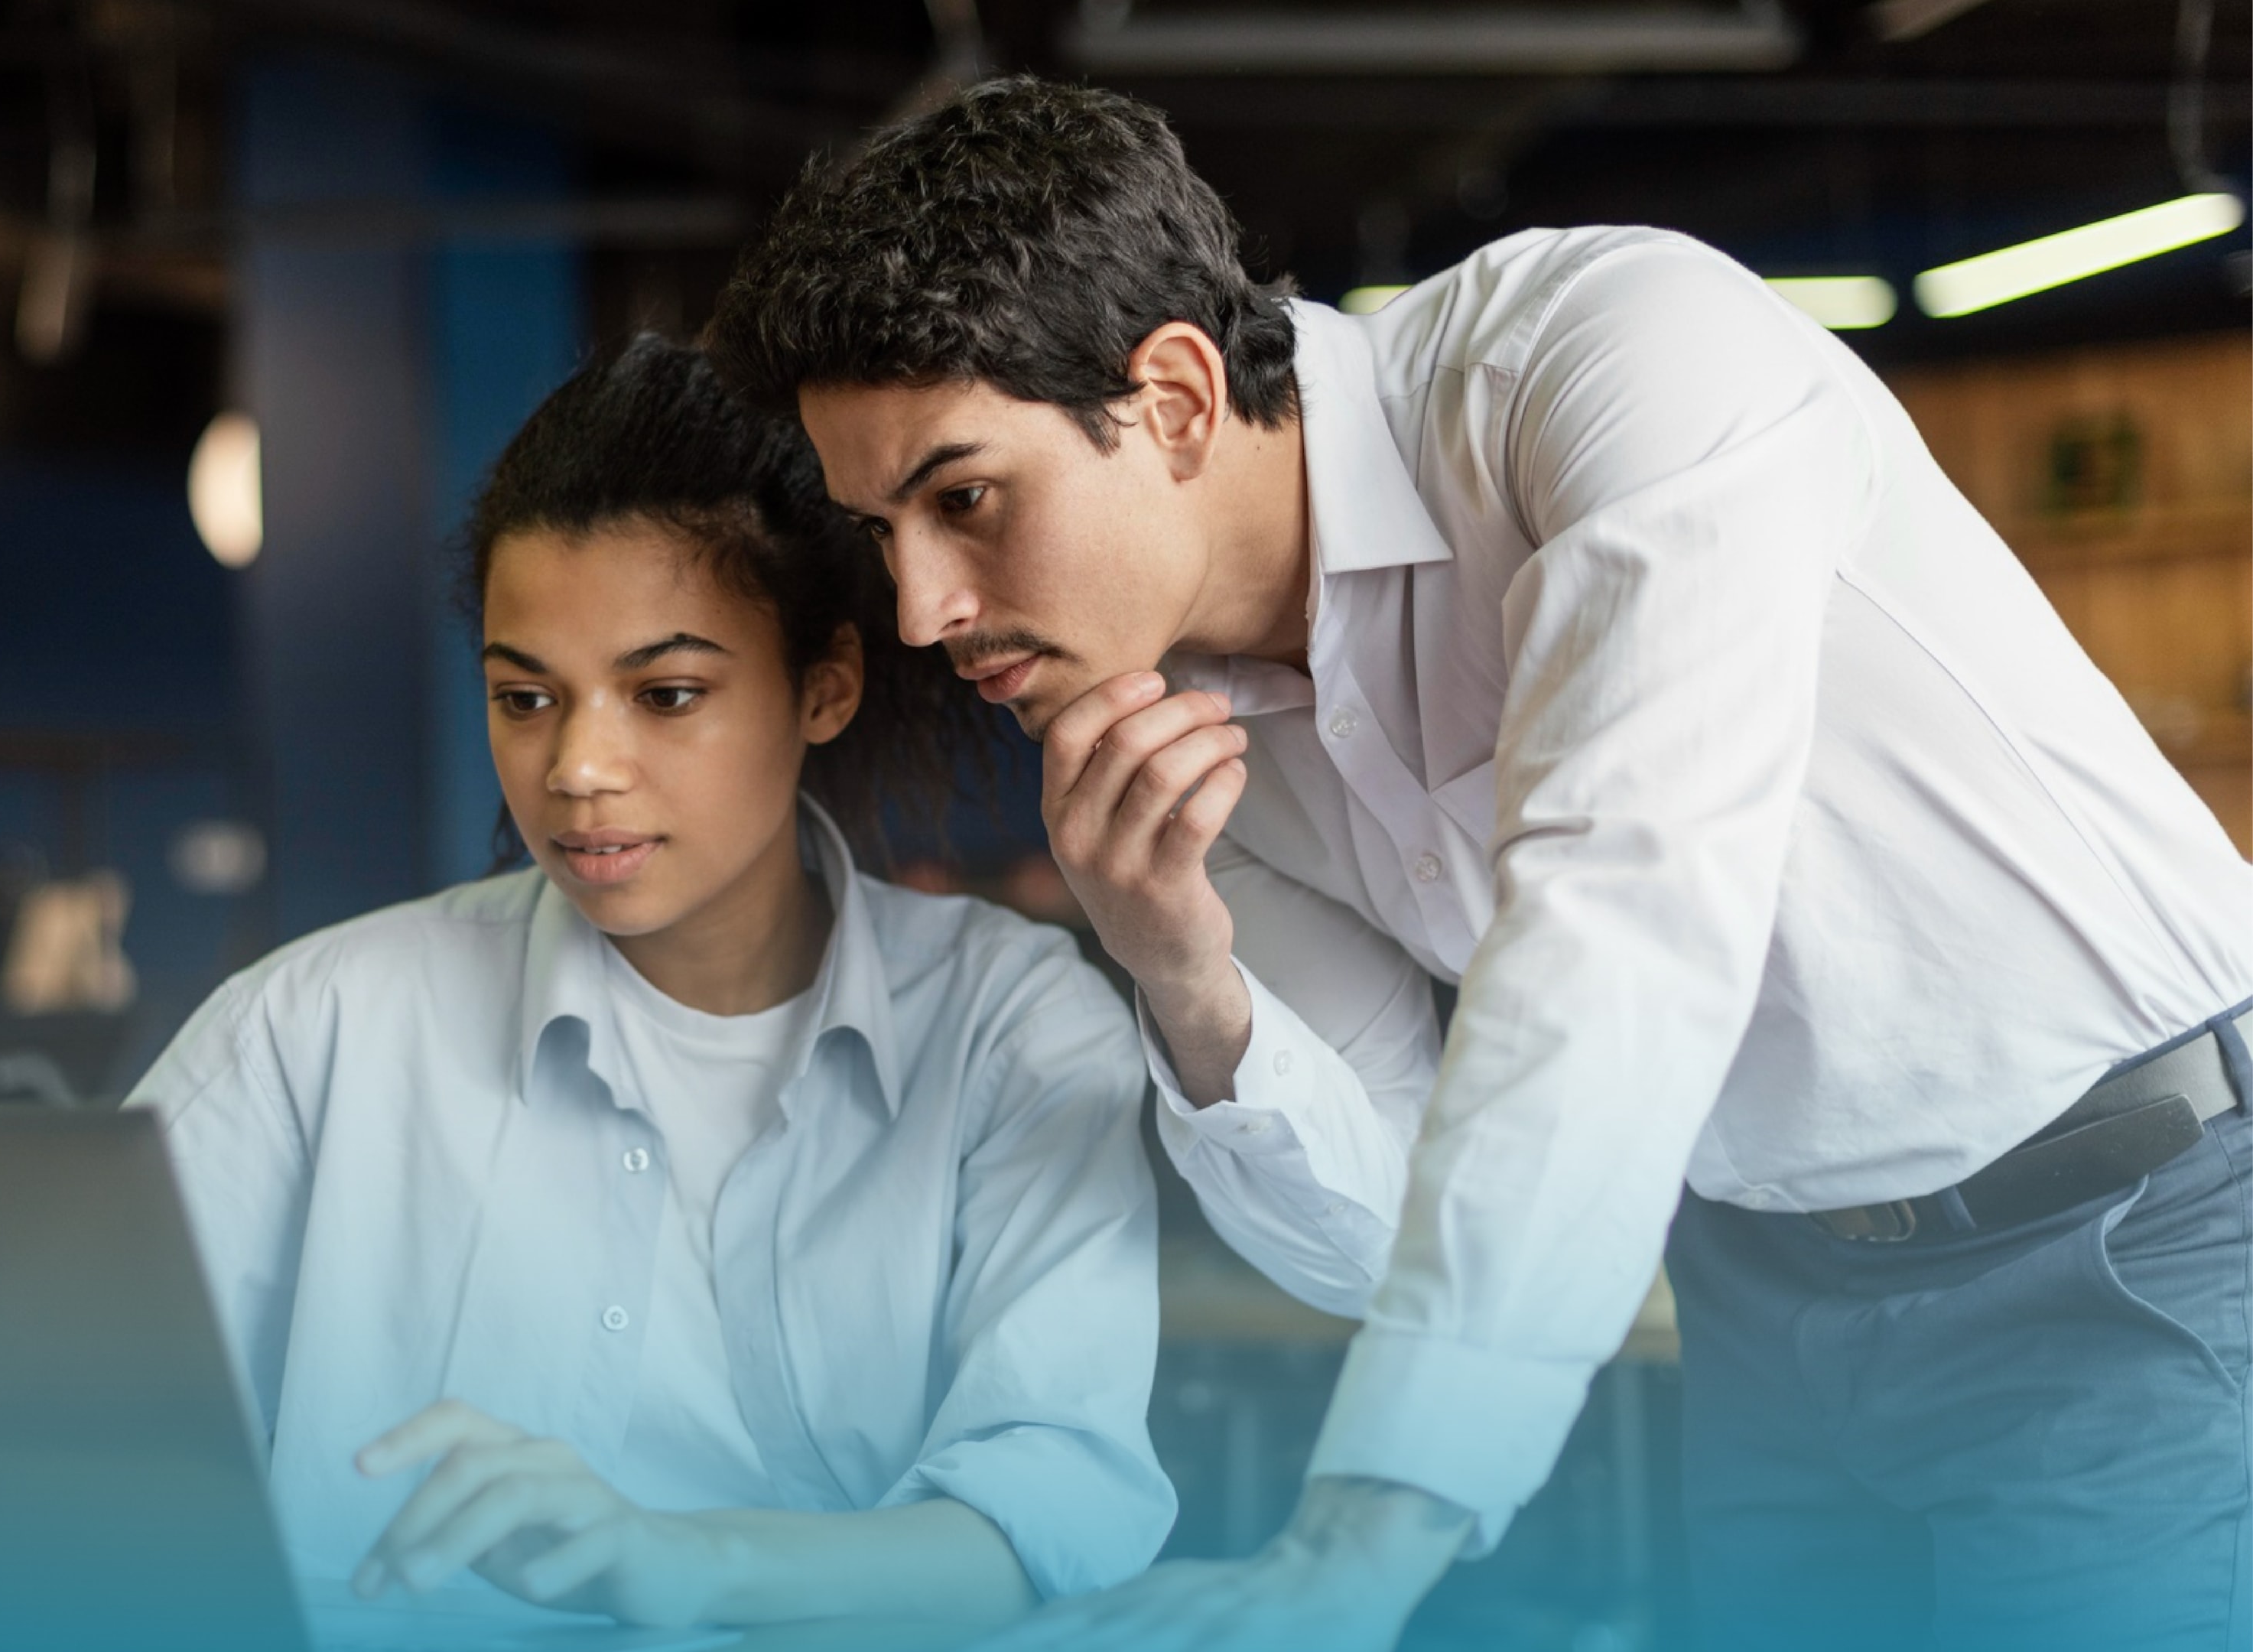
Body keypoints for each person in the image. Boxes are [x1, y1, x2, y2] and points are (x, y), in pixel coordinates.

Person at [707, 75, 2253, 1652]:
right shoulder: (1158, 735)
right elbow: (1388, 1237)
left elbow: (1623, 916)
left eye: (965, 501)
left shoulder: (1614, 358)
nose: (919, 608)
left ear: (1173, 397)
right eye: (881, 529)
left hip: (2134, 1235)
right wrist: (1180, 971)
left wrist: (1369, 1535)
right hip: (1764, 1298)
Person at [126, 337, 1173, 1631]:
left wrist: (675, 1564)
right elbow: (68, 1435)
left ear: (825, 686)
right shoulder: (315, 1029)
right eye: (526, 698)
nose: (577, 768)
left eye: (666, 693)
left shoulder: (1010, 1028)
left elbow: (1052, 1506)